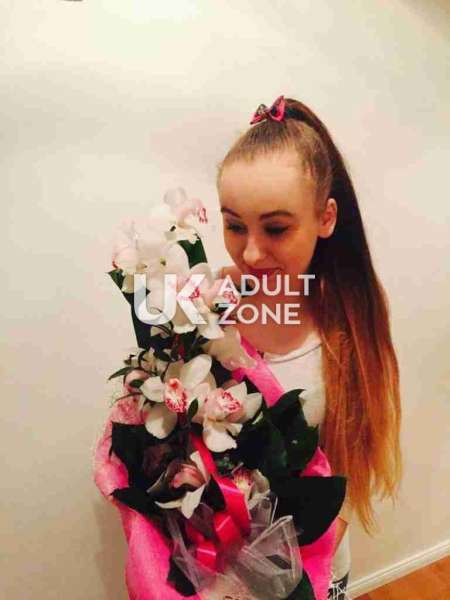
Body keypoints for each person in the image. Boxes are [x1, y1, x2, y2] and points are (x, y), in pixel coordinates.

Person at [214, 95, 403, 599]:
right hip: (216, 572)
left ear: (325, 217)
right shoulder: (208, 307)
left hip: (312, 572)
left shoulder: (348, 322)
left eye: (276, 228)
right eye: (234, 225)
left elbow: (353, 463)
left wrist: (300, 570)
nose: (251, 252)